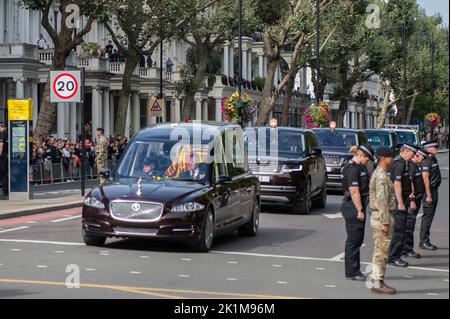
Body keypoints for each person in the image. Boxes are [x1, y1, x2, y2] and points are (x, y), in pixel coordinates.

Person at [341, 144, 375, 281]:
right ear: (360, 155)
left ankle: (355, 269)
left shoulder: (359, 167)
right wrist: (360, 210)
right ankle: (352, 271)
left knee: (357, 239)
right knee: (354, 240)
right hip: (353, 206)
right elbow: (354, 191)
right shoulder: (352, 169)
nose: (367, 161)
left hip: (356, 205)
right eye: (366, 158)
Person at [369, 147, 398, 295]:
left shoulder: (381, 174)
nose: (392, 160)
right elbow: (382, 200)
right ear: (383, 158)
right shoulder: (381, 175)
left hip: (380, 217)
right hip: (381, 218)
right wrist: (385, 222)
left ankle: (378, 280)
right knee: (381, 252)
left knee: (381, 250)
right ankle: (377, 282)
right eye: (390, 157)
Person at [388, 143, 418, 267]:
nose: (414, 155)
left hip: (404, 198)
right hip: (397, 201)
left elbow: (407, 181)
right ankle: (393, 256)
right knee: (399, 230)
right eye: (412, 153)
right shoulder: (399, 164)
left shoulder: (404, 163)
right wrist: (400, 202)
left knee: (401, 228)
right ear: (405, 151)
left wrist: (410, 195)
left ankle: (396, 254)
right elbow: (397, 184)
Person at [403, 148, 429, 258]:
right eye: (416, 155)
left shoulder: (416, 165)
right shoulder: (411, 167)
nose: (418, 157)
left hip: (417, 198)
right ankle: (407, 249)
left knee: (410, 225)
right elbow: (411, 184)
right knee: (409, 225)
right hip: (413, 199)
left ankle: (407, 248)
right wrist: (412, 200)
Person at [419, 140, 442, 250]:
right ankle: (423, 241)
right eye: (435, 147)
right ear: (428, 148)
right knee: (427, 217)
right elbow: (425, 177)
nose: (437, 149)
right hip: (429, 191)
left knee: (430, 216)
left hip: (434, 190)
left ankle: (426, 239)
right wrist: (428, 194)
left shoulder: (432, 159)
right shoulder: (427, 160)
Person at [0, 122, 8, 196]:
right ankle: (6, 191)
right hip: (7, 157)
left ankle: (5, 192)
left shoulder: (2, 135)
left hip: (3, 158)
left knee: (3, 175)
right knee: (5, 174)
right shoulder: (8, 134)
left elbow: (1, 146)